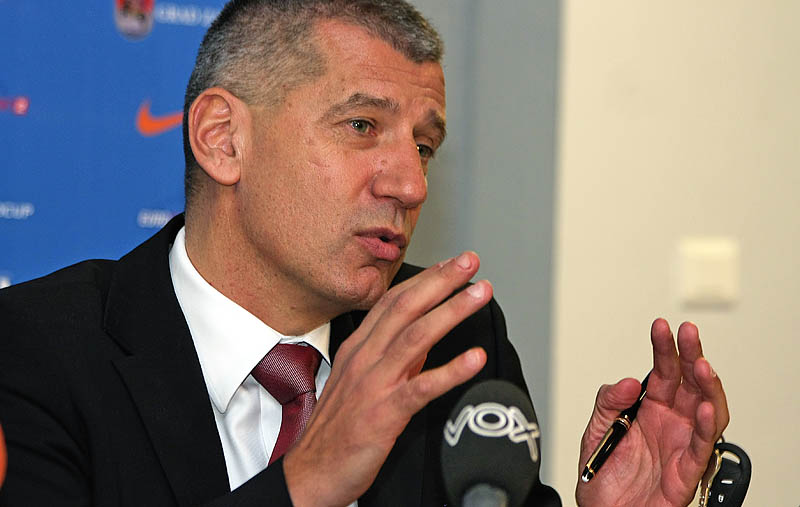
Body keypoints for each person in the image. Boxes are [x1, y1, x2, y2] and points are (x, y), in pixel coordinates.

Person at [0, 0, 728, 505]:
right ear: (223, 139)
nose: (411, 184)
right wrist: (304, 484)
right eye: (361, 127)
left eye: (424, 146)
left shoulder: (451, 340)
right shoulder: (34, 350)